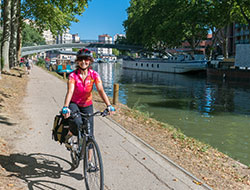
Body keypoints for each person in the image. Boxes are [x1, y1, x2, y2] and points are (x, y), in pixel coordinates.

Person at [61, 48, 115, 148]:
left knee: (90, 135)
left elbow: (100, 90)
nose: (83, 62)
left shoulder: (94, 75)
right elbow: (70, 91)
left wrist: (109, 105)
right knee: (77, 122)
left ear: (90, 61)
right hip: (74, 104)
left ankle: (89, 161)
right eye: (81, 59)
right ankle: (70, 134)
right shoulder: (73, 75)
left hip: (87, 105)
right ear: (77, 61)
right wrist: (65, 106)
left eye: (86, 59)